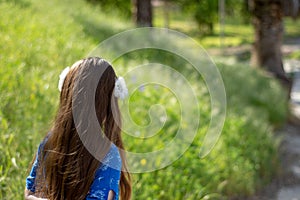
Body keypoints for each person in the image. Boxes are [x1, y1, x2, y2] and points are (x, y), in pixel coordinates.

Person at [25, 57, 131, 200]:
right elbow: (31, 190)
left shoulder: (51, 141)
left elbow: (30, 193)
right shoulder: (108, 154)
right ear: (107, 106)